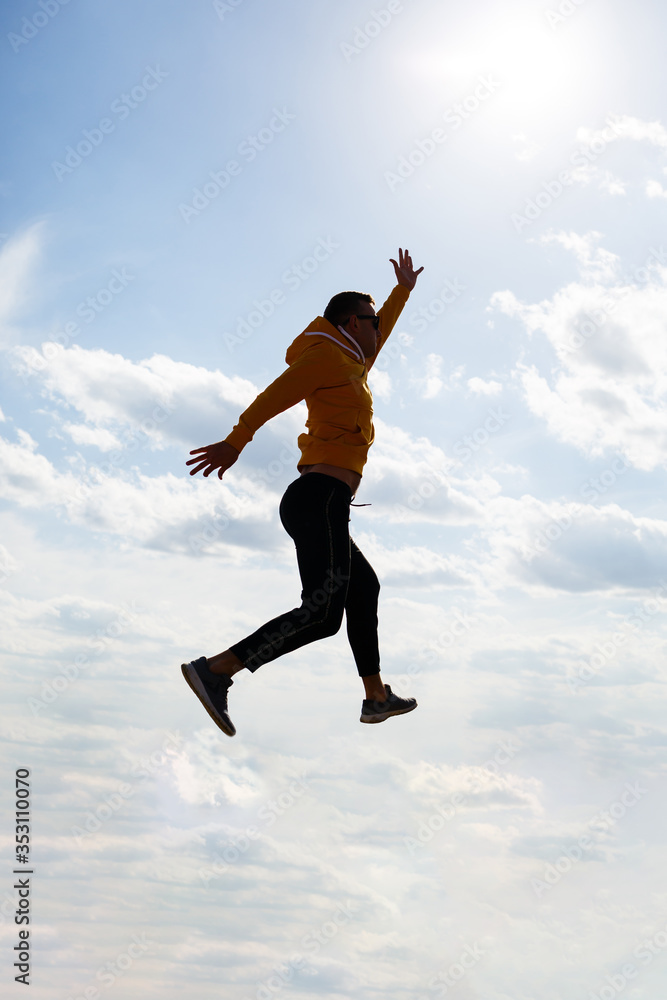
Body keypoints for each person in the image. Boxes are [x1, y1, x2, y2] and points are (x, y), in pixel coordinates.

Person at [182, 247, 424, 736]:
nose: (380, 327)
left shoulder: (353, 362)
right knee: (321, 617)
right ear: (352, 323)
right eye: (372, 320)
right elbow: (275, 394)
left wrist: (402, 293)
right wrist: (235, 441)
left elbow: (382, 336)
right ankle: (216, 670)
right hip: (317, 499)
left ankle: (375, 696)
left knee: (364, 588)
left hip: (326, 501)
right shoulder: (326, 358)